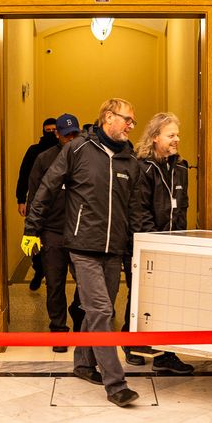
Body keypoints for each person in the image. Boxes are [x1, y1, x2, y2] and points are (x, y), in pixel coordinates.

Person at [22, 98, 145, 407]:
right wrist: (31, 230)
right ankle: (115, 384)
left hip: (114, 249)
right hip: (82, 247)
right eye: (127, 119)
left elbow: (133, 210)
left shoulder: (129, 161)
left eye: (133, 120)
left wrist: (134, 249)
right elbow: (46, 188)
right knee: (102, 310)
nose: (132, 125)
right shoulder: (77, 150)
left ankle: (82, 363)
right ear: (108, 117)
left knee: (97, 310)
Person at [122, 112, 194, 374]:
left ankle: (166, 354)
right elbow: (138, 212)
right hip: (145, 246)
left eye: (177, 134)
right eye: (171, 135)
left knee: (170, 300)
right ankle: (131, 343)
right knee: (141, 297)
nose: (177, 139)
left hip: (173, 246)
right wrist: (153, 246)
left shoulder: (181, 167)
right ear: (155, 138)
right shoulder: (142, 169)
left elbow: (180, 210)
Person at [27, 113, 85, 350]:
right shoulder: (43, 159)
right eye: (66, 134)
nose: (70, 138)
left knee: (86, 283)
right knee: (54, 283)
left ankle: (79, 317)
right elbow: (34, 195)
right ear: (57, 134)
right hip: (52, 231)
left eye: (75, 133)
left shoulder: (86, 158)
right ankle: (58, 330)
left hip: (81, 231)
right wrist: (32, 230)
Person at [16, 118, 59, 290]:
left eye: (53, 130)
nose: (50, 133)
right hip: (35, 202)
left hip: (57, 205)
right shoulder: (34, 151)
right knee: (34, 238)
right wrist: (21, 199)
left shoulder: (63, 151)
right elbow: (24, 175)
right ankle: (38, 269)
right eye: (46, 130)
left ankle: (50, 274)